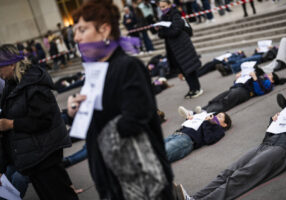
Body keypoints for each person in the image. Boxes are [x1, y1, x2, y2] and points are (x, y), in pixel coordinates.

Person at [72, 0, 174, 199]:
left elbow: (133, 120)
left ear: (104, 30)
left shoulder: (128, 66)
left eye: (82, 30)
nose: (76, 37)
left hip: (142, 183)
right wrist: (77, 111)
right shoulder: (96, 71)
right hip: (112, 182)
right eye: (75, 31)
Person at [177, 111, 286, 200]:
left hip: (283, 149)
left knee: (242, 176)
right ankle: (193, 198)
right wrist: (274, 121)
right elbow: (271, 133)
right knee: (227, 172)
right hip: (268, 143)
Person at [0, 44, 77, 199]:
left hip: (45, 153)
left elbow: (44, 119)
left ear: (11, 64)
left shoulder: (33, 82)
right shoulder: (12, 84)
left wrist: (11, 124)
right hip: (33, 155)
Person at [183, 67, 286, 114]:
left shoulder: (269, 84)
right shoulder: (262, 77)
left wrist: (255, 78)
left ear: (273, 79)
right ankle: (197, 111)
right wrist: (238, 78)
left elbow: (260, 91)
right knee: (217, 98)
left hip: (246, 92)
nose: (267, 75)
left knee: (226, 101)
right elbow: (242, 81)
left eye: (270, 75)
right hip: (238, 87)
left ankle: (204, 113)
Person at [157, 0, 203, 99]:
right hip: (173, 48)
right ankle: (191, 89)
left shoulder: (175, 14)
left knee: (190, 68)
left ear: (169, 5)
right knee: (183, 69)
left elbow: (175, 31)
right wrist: (160, 30)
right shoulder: (163, 17)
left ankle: (197, 88)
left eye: (164, 6)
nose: (162, 9)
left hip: (183, 46)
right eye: (161, 7)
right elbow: (161, 35)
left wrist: (164, 31)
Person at [165, 112, 232, 163]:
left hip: (186, 140)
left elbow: (209, 139)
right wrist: (190, 118)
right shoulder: (206, 120)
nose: (215, 117)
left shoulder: (219, 129)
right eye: (216, 115)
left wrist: (207, 122)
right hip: (176, 134)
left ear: (224, 124)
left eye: (219, 117)